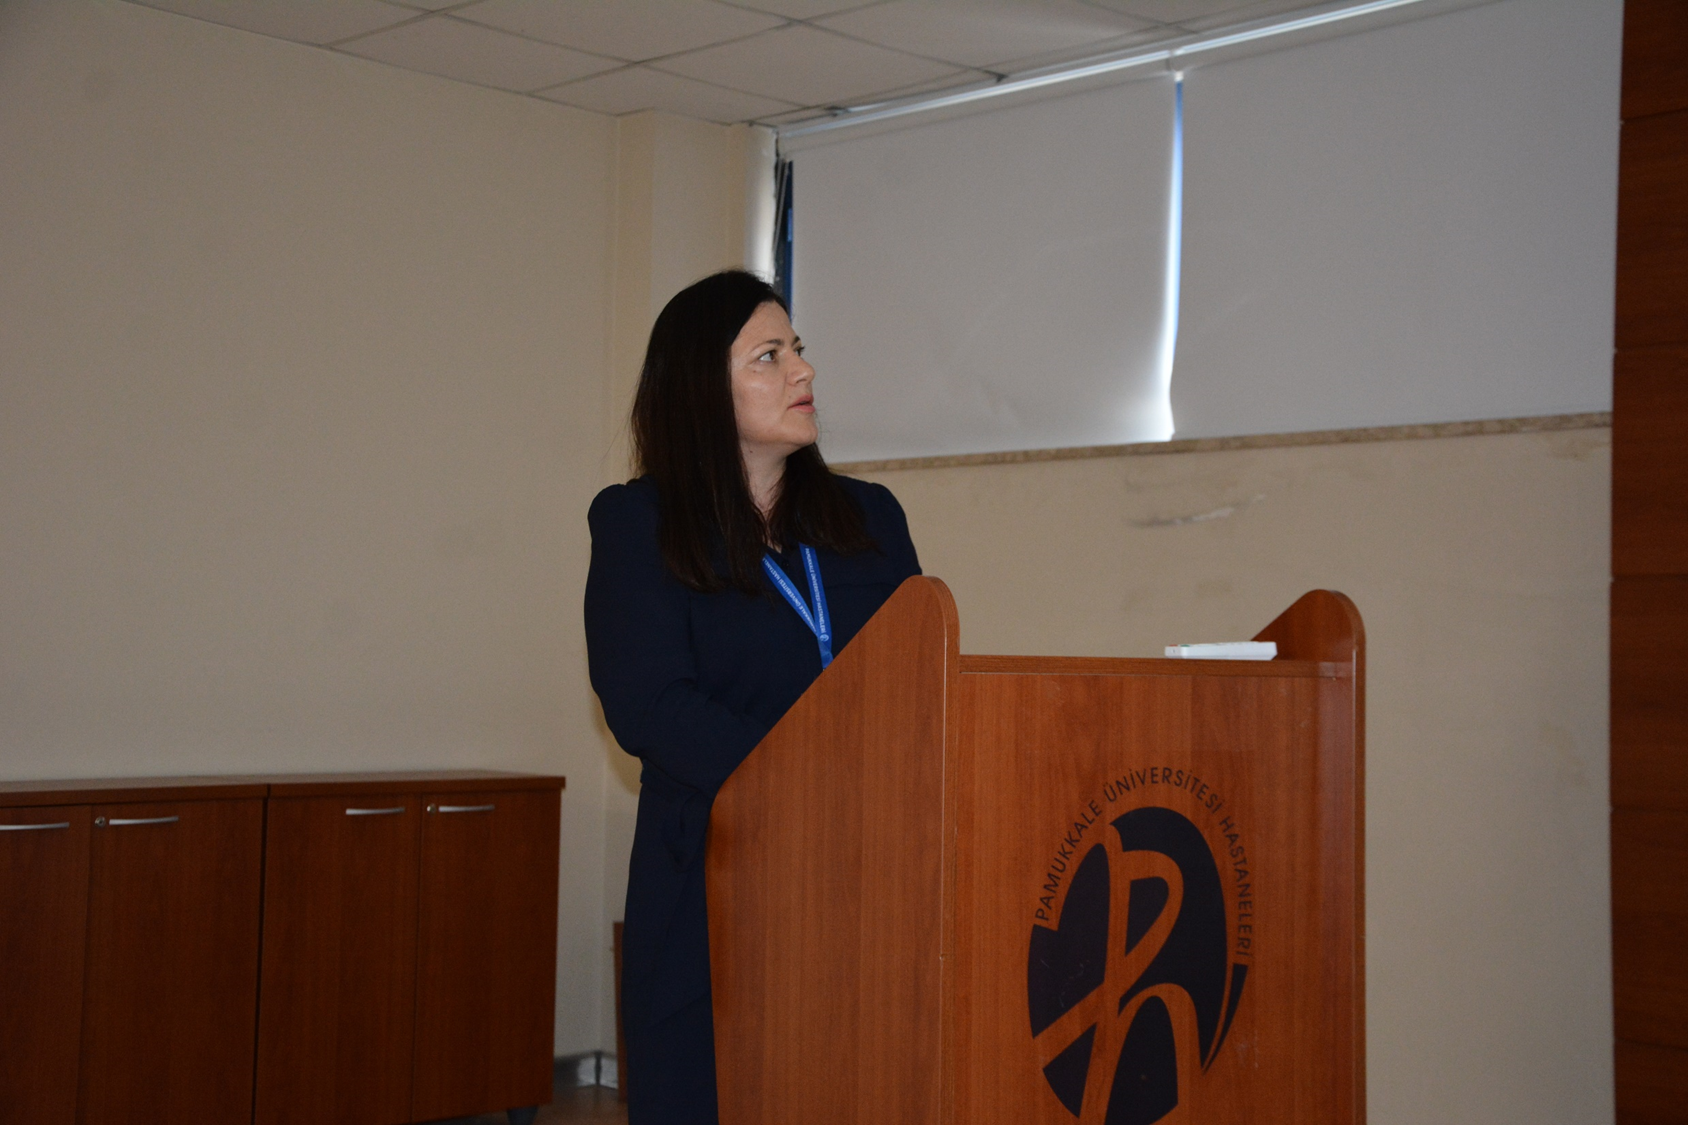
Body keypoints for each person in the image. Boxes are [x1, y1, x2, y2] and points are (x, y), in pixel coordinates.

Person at [584, 270, 922, 1125]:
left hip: (867, 872)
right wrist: (804, 778)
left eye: (797, 349)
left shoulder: (870, 519)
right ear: (702, 386)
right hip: (715, 876)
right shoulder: (640, 523)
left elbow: (917, 681)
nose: (803, 371)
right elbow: (649, 703)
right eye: (769, 356)